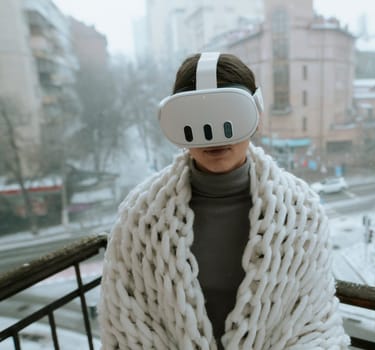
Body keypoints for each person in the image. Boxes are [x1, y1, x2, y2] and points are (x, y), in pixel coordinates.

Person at [97, 52, 350, 349]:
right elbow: (126, 323)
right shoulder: (140, 218)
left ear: (257, 115)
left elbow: (314, 321)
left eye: (230, 114)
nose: (215, 135)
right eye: (195, 118)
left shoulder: (301, 214)